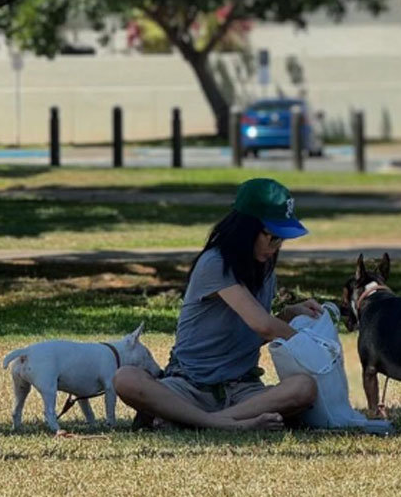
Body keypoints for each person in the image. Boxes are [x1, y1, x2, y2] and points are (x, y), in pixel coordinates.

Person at [113, 177, 321, 431]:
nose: (277, 247)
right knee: (126, 378)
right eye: (272, 238)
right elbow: (262, 325)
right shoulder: (216, 263)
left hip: (241, 389)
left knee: (304, 387)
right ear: (246, 229)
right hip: (188, 386)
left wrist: (289, 315)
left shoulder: (265, 268)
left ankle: (198, 420)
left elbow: (250, 332)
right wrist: (314, 346)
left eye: (282, 240)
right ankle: (221, 423)